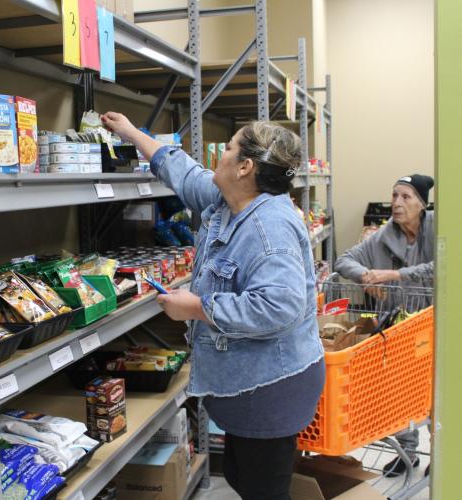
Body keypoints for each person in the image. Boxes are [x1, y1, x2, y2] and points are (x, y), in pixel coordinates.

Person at [102, 112, 325, 499]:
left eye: (230, 147)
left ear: (245, 166)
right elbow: (185, 174)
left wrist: (198, 307)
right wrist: (131, 132)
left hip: (271, 383)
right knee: (242, 477)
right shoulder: (232, 199)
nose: (220, 152)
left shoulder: (268, 227)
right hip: (248, 380)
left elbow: (279, 306)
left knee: (264, 490)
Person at [335, 174, 434, 477]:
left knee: (437, 390)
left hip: (435, 322)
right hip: (398, 327)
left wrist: (394, 276)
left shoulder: (438, 228)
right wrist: (366, 276)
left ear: (422, 204)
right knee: (401, 388)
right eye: (394, 196)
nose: (397, 203)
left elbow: (446, 263)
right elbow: (343, 260)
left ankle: (442, 455)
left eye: (406, 197)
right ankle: (408, 454)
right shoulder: (383, 235)